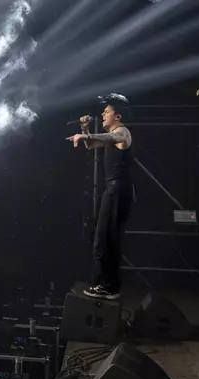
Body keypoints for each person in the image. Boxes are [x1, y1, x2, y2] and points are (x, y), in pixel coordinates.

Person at [66, 93, 134, 300]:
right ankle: (107, 284)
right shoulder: (113, 135)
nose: (103, 113)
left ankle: (108, 286)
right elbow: (92, 145)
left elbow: (113, 137)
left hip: (117, 189)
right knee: (104, 238)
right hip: (112, 190)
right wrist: (85, 131)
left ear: (118, 116)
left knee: (105, 239)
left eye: (108, 110)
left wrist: (85, 136)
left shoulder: (123, 132)